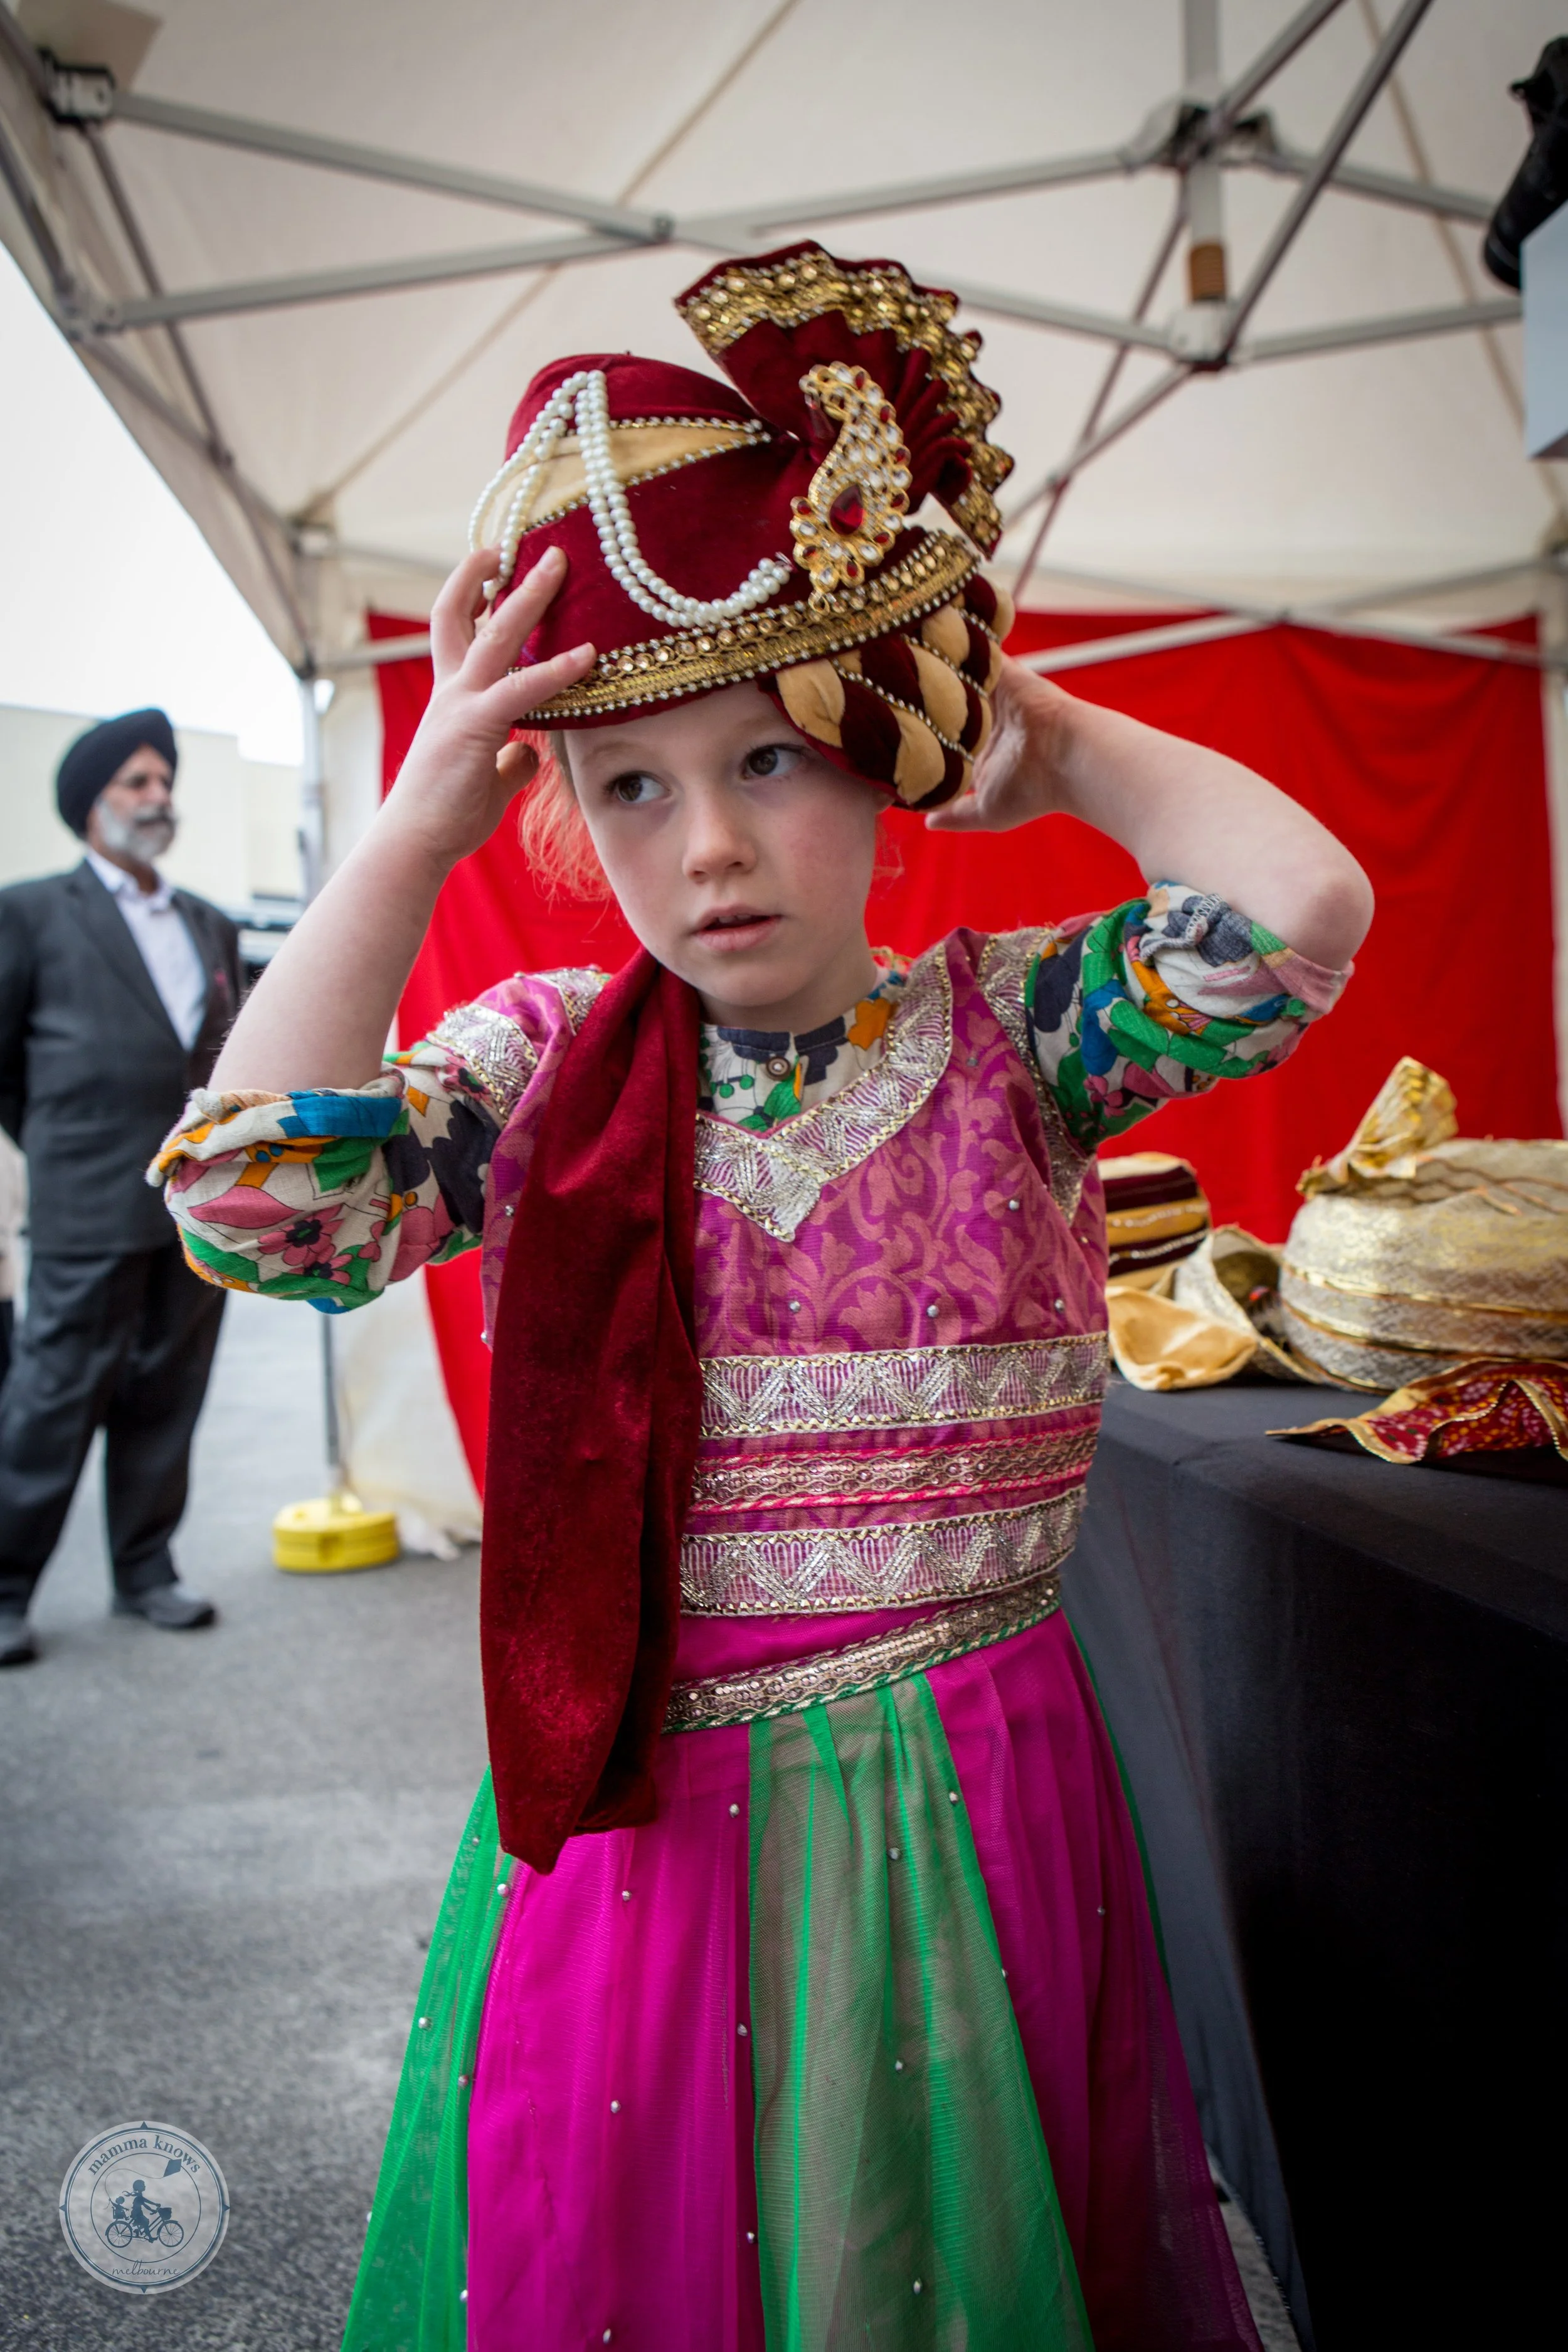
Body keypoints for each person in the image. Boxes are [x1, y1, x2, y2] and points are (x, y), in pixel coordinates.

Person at [157, 246, 1372, 2349]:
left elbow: (1306, 915)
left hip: (981, 1800)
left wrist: (1058, 733)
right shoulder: (542, 1071)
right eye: (632, 786)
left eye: (770, 765)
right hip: (652, 1844)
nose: (707, 846)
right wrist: (418, 826)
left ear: (878, 755)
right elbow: (254, 1201)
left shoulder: (1030, 1039)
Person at [0, 710, 240, 1666]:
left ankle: (146, 1569)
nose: (157, 797)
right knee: (53, 1393)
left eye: (162, 781)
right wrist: (62, 1144)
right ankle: (7, 1585)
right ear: (88, 803)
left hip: (195, 1201)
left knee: (167, 1388)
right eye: (136, 782)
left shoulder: (209, 922)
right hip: (84, 1199)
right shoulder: (28, 913)